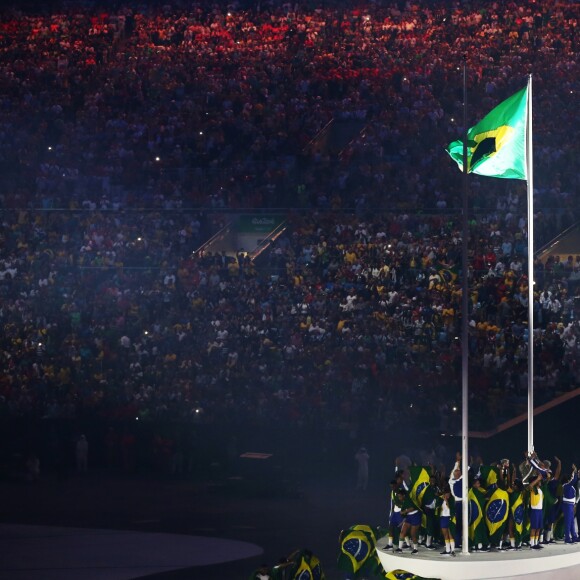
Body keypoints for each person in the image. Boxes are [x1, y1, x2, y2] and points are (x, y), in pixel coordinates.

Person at [395, 488, 421, 555]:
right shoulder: (403, 502)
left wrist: (404, 511)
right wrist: (403, 515)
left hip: (415, 516)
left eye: (400, 496)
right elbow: (405, 513)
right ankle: (400, 549)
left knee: (413, 534)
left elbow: (412, 508)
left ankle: (415, 549)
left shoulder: (408, 499)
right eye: (398, 497)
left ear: (404, 495)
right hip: (409, 517)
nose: (399, 498)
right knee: (402, 532)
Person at [561, 464, 578, 544]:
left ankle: (574, 536)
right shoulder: (566, 486)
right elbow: (573, 480)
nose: (571, 479)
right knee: (568, 522)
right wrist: (574, 471)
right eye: (570, 478)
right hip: (567, 505)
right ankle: (567, 538)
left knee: (571, 521)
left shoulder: (569, 486)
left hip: (570, 505)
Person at [438, 487, 456, 556]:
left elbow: (451, 508)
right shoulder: (440, 499)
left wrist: (446, 501)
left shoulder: (452, 500)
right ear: (444, 494)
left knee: (450, 534)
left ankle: (453, 550)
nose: (448, 496)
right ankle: (448, 550)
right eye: (446, 494)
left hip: (450, 518)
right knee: (445, 535)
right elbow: (438, 507)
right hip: (443, 518)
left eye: (449, 494)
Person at [528, 474, 544, 550]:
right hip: (534, 510)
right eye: (539, 481)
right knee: (534, 528)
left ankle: (536, 543)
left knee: (538, 528)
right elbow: (530, 486)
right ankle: (532, 544)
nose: (540, 482)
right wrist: (537, 479)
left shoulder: (540, 490)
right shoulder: (534, 489)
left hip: (540, 510)